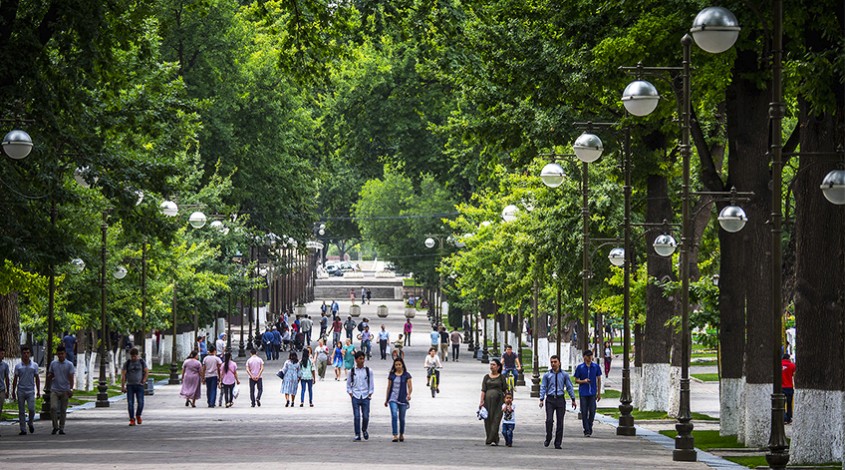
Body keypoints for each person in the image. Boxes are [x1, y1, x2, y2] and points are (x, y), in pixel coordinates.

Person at [539, 355, 577, 449]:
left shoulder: (564, 375)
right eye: (551, 362)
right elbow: (543, 387)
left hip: (560, 399)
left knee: (560, 422)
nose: (553, 364)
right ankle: (548, 437)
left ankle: (558, 442)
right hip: (550, 399)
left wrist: (573, 399)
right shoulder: (547, 375)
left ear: (559, 363)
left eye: (555, 362)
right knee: (549, 420)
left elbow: (569, 386)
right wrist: (541, 399)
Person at [46, 346, 76, 435]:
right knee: (53, 407)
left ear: (65, 354)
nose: (60, 356)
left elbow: (71, 378)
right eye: (59, 354)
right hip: (55, 389)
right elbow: (50, 374)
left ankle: (61, 427)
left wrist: (70, 389)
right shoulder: (53, 364)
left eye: (62, 354)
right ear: (57, 355)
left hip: (65, 390)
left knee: (63, 410)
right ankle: (55, 426)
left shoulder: (69, 364)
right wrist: (49, 379)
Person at [12, 346, 40, 435]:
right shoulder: (18, 366)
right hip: (21, 390)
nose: (26, 355)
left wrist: (39, 390)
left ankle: (30, 422)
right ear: (22, 354)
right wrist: (13, 391)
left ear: (30, 354)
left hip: (30, 390)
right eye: (24, 353)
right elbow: (15, 379)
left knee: (32, 409)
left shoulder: (34, 365)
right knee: (21, 411)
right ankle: (23, 429)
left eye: (27, 353)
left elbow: (37, 378)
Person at [573, 349, 602, 437]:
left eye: (591, 356)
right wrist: (584, 381)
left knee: (592, 411)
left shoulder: (596, 367)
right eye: (588, 356)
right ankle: (586, 430)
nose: (590, 358)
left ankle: (590, 425)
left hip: (592, 392)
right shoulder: (580, 367)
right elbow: (576, 380)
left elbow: (599, 379)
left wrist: (599, 392)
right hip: (583, 393)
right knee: (584, 412)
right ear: (584, 357)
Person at [347, 351, 374, 441]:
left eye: (363, 358)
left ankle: (364, 429)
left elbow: (371, 383)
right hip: (355, 395)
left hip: (365, 395)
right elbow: (348, 384)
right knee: (357, 416)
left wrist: (370, 393)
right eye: (360, 359)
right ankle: (357, 434)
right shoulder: (352, 371)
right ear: (356, 360)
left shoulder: (368, 371)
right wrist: (351, 393)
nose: (362, 361)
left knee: (366, 416)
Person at [385, 357, 413, 442]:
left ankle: (401, 434)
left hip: (403, 398)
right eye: (396, 365)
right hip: (392, 398)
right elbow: (389, 387)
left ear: (402, 365)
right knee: (394, 415)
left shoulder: (406, 375)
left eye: (399, 364)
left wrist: (409, 394)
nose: (398, 366)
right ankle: (395, 435)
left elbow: (410, 386)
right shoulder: (392, 375)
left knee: (402, 418)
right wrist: (386, 399)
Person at [479, 359, 506, 446]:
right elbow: (483, 390)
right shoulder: (486, 377)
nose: (491, 366)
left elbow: (505, 390)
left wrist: (508, 402)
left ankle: (490, 439)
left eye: (493, 365)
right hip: (487, 402)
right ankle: (494, 438)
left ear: (498, 367)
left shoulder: (501, 377)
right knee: (488, 419)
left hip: (499, 402)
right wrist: (481, 401)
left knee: (496, 419)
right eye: (491, 364)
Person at [121, 347, 149, 426]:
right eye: (132, 356)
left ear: (138, 355)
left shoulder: (141, 362)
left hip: (139, 385)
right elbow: (123, 375)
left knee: (141, 403)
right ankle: (132, 419)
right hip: (130, 386)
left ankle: (138, 415)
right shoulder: (127, 363)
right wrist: (123, 386)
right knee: (130, 403)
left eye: (135, 356)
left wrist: (144, 380)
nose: (133, 358)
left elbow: (146, 371)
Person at [782, 353, 796, 424]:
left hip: (781, 387)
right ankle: (789, 418)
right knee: (789, 403)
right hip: (789, 387)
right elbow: (794, 373)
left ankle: (784, 418)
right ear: (788, 358)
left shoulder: (779, 365)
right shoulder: (792, 365)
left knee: (782, 404)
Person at [0, 347, 8, 436]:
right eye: (1, 353)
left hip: (1, 389)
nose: (3, 355)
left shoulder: (5, 365)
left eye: (3, 353)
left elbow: (7, 378)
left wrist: (7, 390)